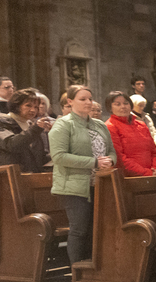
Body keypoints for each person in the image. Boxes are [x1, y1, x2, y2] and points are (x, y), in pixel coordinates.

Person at [48, 85, 116, 264]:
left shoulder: (99, 124)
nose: (88, 102)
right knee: (80, 230)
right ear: (70, 101)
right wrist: (94, 162)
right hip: (74, 186)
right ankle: (77, 270)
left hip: (99, 183)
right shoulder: (63, 124)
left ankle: (93, 269)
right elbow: (59, 157)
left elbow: (111, 150)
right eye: (82, 99)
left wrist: (110, 161)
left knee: (97, 229)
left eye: (90, 99)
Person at [0, 88, 52, 172]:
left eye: (36, 107)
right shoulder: (0, 123)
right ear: (16, 105)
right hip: (10, 175)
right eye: (28, 105)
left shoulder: (32, 125)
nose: (33, 110)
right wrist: (35, 129)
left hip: (33, 176)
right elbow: (12, 144)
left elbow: (41, 157)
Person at [106, 91, 156, 177]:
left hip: (152, 175)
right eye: (117, 104)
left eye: (126, 103)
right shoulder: (110, 127)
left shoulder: (141, 125)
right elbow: (120, 159)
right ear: (110, 107)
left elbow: (154, 152)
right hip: (128, 177)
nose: (123, 106)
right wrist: (146, 173)